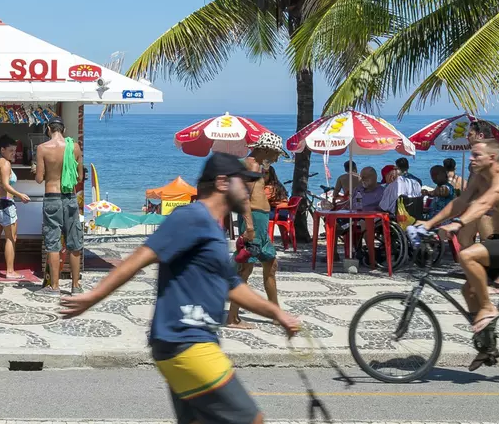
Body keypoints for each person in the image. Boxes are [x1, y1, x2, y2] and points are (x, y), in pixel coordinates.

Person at [60, 153, 300, 424]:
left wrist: (277, 314)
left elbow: (232, 286)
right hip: (187, 342)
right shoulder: (190, 218)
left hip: (187, 342)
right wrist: (92, 297)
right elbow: (140, 258)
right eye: (243, 182)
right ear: (222, 182)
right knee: (251, 420)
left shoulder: (212, 228)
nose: (248, 189)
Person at [416, 141, 499, 349]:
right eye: (471, 155)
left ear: (492, 158)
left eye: (476, 155)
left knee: (466, 255)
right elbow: (460, 203)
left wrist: (458, 223)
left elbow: (484, 204)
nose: (471, 158)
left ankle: (488, 308)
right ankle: (487, 346)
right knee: (469, 291)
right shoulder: (480, 179)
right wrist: (429, 223)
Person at [226, 133, 284, 330]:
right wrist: (249, 226)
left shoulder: (256, 166)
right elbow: (243, 198)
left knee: (271, 264)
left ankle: (276, 314)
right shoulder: (251, 165)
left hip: (261, 221)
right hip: (255, 222)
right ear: (265, 149)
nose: (276, 158)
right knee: (245, 269)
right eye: (275, 153)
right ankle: (233, 318)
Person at [35, 119, 83, 295]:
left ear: (48, 129)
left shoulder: (42, 148)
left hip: (52, 198)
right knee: (74, 242)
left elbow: (39, 178)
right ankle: (76, 286)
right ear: (65, 129)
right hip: (70, 197)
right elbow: (79, 178)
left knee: (53, 242)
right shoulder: (74, 147)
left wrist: (40, 169)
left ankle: (54, 287)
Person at [0, 135, 30, 279]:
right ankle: (10, 271)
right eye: (11, 150)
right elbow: (6, 184)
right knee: (11, 237)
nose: (14, 154)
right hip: (4, 203)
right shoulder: (5, 164)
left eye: (14, 150)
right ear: (2, 149)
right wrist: (20, 195)